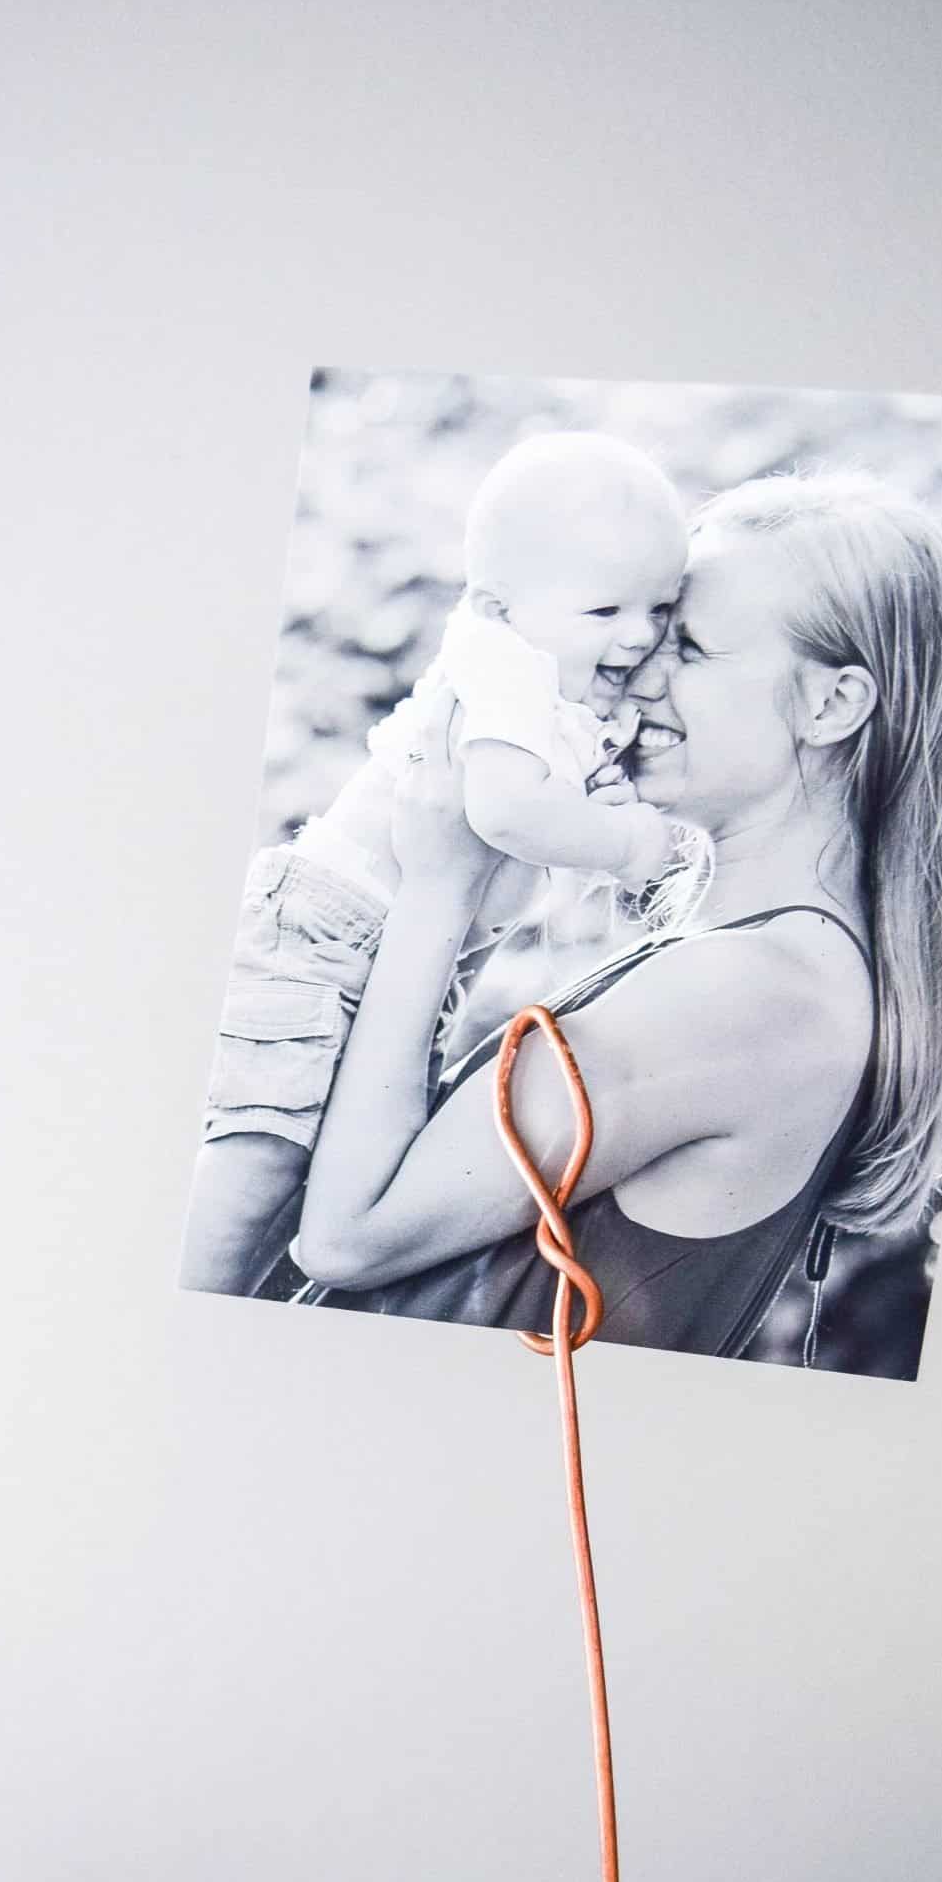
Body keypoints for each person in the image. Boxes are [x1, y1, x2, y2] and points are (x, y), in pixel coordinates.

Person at [290, 470, 942, 1369]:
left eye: (690, 648)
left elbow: (347, 1240)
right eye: (644, 625)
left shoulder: (753, 990)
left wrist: (439, 886)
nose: (633, 665)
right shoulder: (777, 967)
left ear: (831, 705)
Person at [179, 432, 691, 1296]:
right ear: (497, 609)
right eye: (605, 614)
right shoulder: (505, 670)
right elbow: (503, 809)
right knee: (257, 1164)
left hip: (393, 944)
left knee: (317, 1176)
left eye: (660, 609)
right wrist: (634, 846)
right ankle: (175, 1309)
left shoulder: (558, 681)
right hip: (324, 930)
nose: (638, 637)